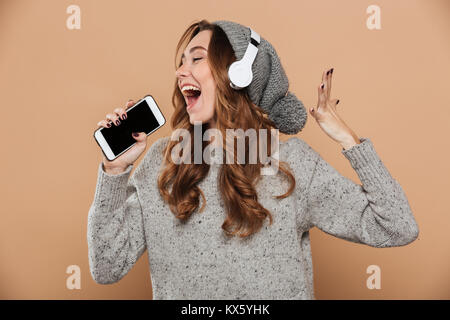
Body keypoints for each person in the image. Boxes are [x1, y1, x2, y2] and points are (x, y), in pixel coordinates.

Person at [88, 19, 419, 299]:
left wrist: (350, 141)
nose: (180, 71)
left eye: (196, 59)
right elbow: (106, 267)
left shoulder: (291, 163)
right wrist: (115, 169)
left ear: (239, 74)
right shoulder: (162, 163)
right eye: (182, 61)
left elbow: (397, 227)